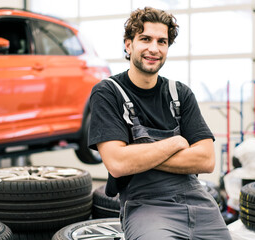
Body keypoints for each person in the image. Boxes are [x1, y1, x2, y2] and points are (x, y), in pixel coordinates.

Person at [88, 6, 231, 240]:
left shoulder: (180, 93)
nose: (154, 48)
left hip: (199, 202)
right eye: (145, 39)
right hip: (147, 207)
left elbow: (206, 159)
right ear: (128, 44)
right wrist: (175, 142)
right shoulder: (108, 92)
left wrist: (138, 156)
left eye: (161, 41)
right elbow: (117, 163)